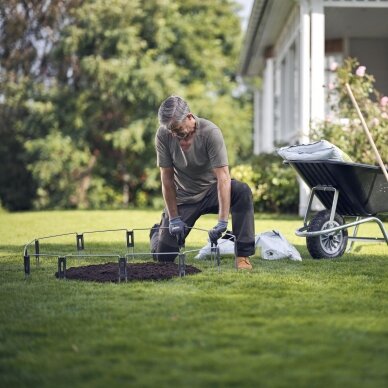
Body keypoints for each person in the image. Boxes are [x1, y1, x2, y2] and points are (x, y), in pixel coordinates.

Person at [150, 95, 255, 269]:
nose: (174, 134)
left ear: (189, 117)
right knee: (163, 258)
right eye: (171, 131)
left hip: (211, 191)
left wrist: (222, 222)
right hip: (184, 197)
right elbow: (166, 178)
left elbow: (223, 177)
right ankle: (157, 231)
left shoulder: (210, 132)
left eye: (177, 129)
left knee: (242, 191)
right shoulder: (163, 135)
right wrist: (174, 218)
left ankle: (243, 256)